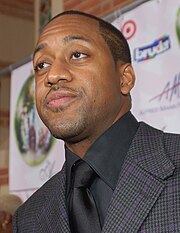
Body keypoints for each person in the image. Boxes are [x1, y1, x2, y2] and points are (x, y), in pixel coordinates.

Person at [13, 10, 180, 233]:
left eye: (77, 55)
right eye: (41, 65)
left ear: (125, 78)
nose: (52, 75)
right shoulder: (28, 218)